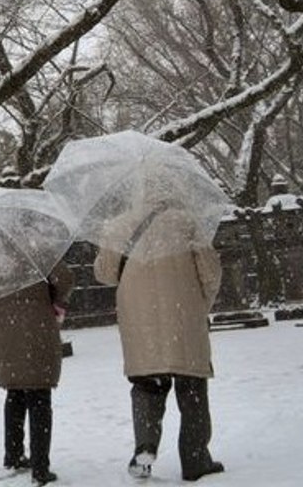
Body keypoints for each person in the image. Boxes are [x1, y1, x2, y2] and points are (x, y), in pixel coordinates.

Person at [94, 205, 225, 482]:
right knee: (192, 388)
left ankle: (145, 446)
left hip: (139, 317)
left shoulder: (118, 224)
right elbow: (211, 272)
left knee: (146, 384)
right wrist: (201, 306)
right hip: (183, 313)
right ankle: (195, 458)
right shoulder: (187, 220)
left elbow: (105, 274)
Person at [0, 261, 74, 485]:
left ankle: (13, 456)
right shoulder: (36, 248)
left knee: (15, 392)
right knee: (39, 394)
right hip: (34, 326)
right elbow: (65, 279)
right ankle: (40, 468)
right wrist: (53, 297)